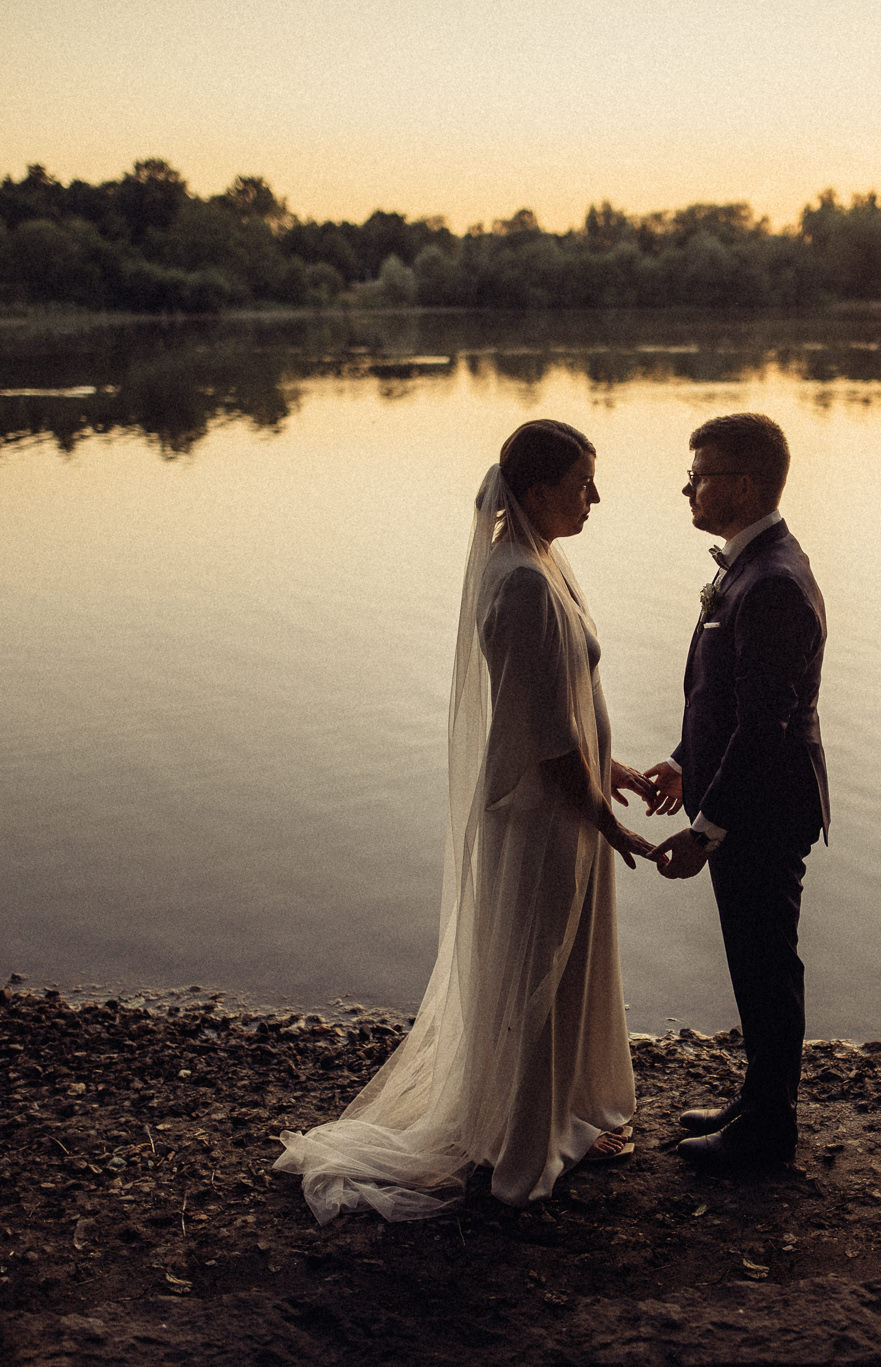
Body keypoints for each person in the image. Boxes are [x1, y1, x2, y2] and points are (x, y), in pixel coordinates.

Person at [274, 419, 660, 1221]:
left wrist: (610, 766)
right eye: (584, 482)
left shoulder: (542, 562)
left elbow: (560, 704)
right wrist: (602, 815)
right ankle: (525, 1140)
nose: (597, 497)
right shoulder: (519, 580)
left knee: (562, 964)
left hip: (567, 799)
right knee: (538, 970)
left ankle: (563, 1113)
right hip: (547, 814)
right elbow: (546, 739)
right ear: (536, 491)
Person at [646, 413, 829, 1170]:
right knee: (752, 959)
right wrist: (685, 760)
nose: (688, 486)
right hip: (743, 798)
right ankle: (757, 1100)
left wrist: (708, 826)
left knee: (767, 964)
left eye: (700, 474)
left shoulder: (775, 580)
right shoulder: (748, 565)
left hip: (764, 808)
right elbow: (720, 696)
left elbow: (764, 728)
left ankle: (768, 1130)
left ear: (744, 485)